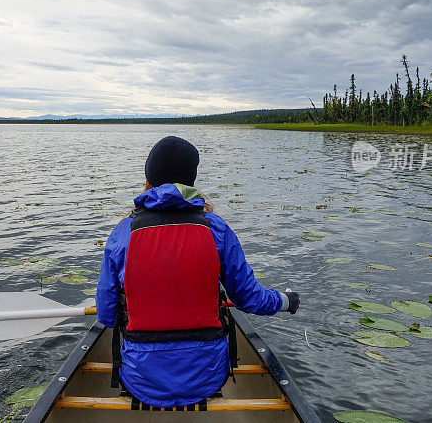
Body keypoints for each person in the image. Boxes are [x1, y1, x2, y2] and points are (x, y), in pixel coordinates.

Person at [96, 135, 300, 409]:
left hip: (140, 378)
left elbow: (107, 315)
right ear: (192, 180)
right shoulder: (216, 228)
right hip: (208, 376)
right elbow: (248, 298)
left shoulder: (122, 233)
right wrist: (286, 301)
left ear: (148, 179)